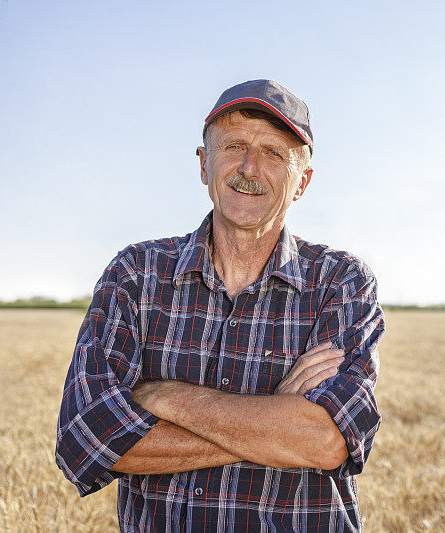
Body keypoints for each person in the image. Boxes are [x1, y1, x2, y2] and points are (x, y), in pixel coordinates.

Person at [55, 79, 385, 532]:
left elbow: (327, 439)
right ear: (204, 163)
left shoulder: (340, 282)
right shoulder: (137, 274)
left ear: (302, 182)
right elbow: (86, 439)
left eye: (274, 153)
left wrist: (163, 396)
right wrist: (275, 416)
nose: (250, 167)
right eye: (233, 145)